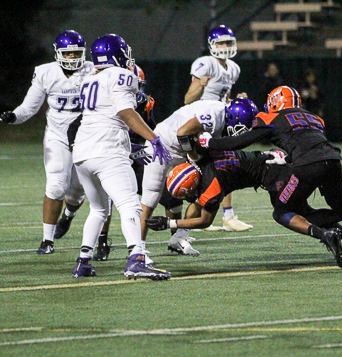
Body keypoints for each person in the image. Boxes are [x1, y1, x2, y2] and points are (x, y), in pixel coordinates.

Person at [187, 86, 342, 265]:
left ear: (276, 103)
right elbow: (307, 140)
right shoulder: (314, 118)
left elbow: (241, 141)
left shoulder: (270, 117)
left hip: (307, 166)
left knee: (283, 211)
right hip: (333, 160)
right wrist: (288, 157)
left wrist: (211, 143)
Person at [71, 33, 172, 280]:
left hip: (82, 151)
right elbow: (125, 112)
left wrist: (132, 145)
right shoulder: (121, 74)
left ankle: (83, 261)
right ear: (118, 55)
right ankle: (136, 259)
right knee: (130, 205)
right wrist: (153, 138)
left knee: (98, 209)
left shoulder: (89, 79)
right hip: (107, 150)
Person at [0, 30, 93, 254]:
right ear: (58, 53)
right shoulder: (45, 72)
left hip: (87, 134)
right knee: (56, 184)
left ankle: (68, 216)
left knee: (77, 191)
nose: (72, 57)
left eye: (76, 53)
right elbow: (29, 106)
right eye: (67, 53)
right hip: (57, 135)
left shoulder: (93, 70)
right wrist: (14, 116)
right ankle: (47, 240)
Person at [140, 97, 259, 261]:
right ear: (233, 117)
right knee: (151, 196)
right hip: (163, 144)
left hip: (184, 149)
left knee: (205, 193)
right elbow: (183, 133)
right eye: (241, 128)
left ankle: (179, 238)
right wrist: (194, 159)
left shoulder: (225, 117)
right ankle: (138, 250)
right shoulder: (214, 115)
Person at [183, 24, 252, 232]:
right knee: (204, 170)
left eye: (228, 42)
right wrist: (201, 85)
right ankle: (198, 219)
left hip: (219, 120)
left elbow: (224, 98)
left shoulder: (233, 68)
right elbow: (188, 99)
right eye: (221, 43)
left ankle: (227, 216)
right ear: (213, 44)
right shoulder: (205, 64)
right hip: (201, 121)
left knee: (225, 165)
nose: (225, 46)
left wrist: (236, 101)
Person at [92, 64, 156, 262]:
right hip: (111, 152)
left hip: (134, 155)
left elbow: (150, 128)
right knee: (108, 201)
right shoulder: (107, 102)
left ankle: (175, 238)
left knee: (158, 189)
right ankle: (103, 242)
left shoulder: (145, 104)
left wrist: (148, 146)